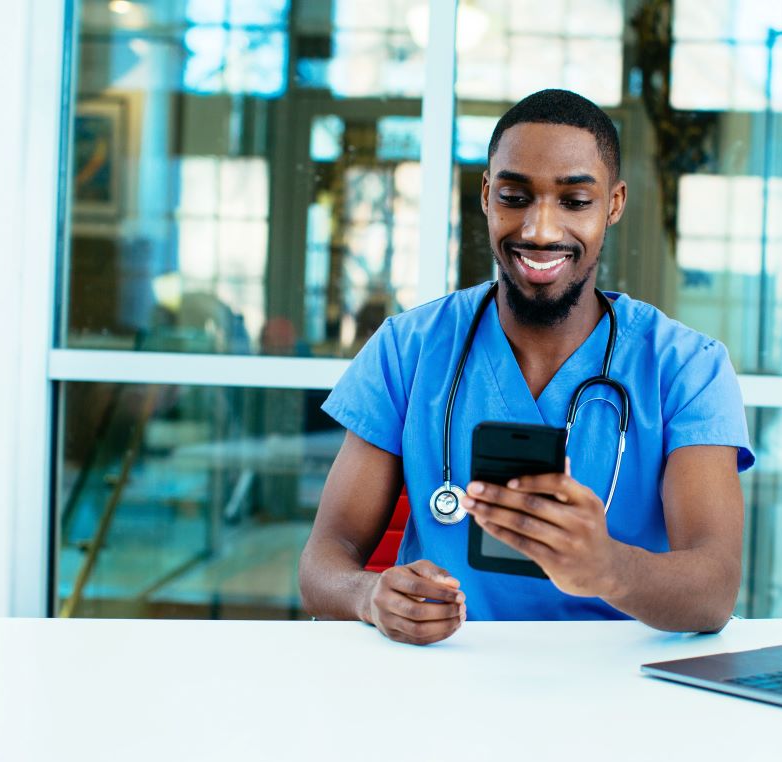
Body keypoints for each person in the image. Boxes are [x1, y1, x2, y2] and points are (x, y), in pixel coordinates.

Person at [298, 89, 754, 645]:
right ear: (487, 196)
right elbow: (323, 562)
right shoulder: (408, 348)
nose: (540, 230)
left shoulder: (687, 369)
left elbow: (714, 592)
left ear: (613, 204)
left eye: (575, 201)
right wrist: (368, 596)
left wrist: (609, 566)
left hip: (619, 688)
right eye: (515, 196)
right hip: (445, 677)